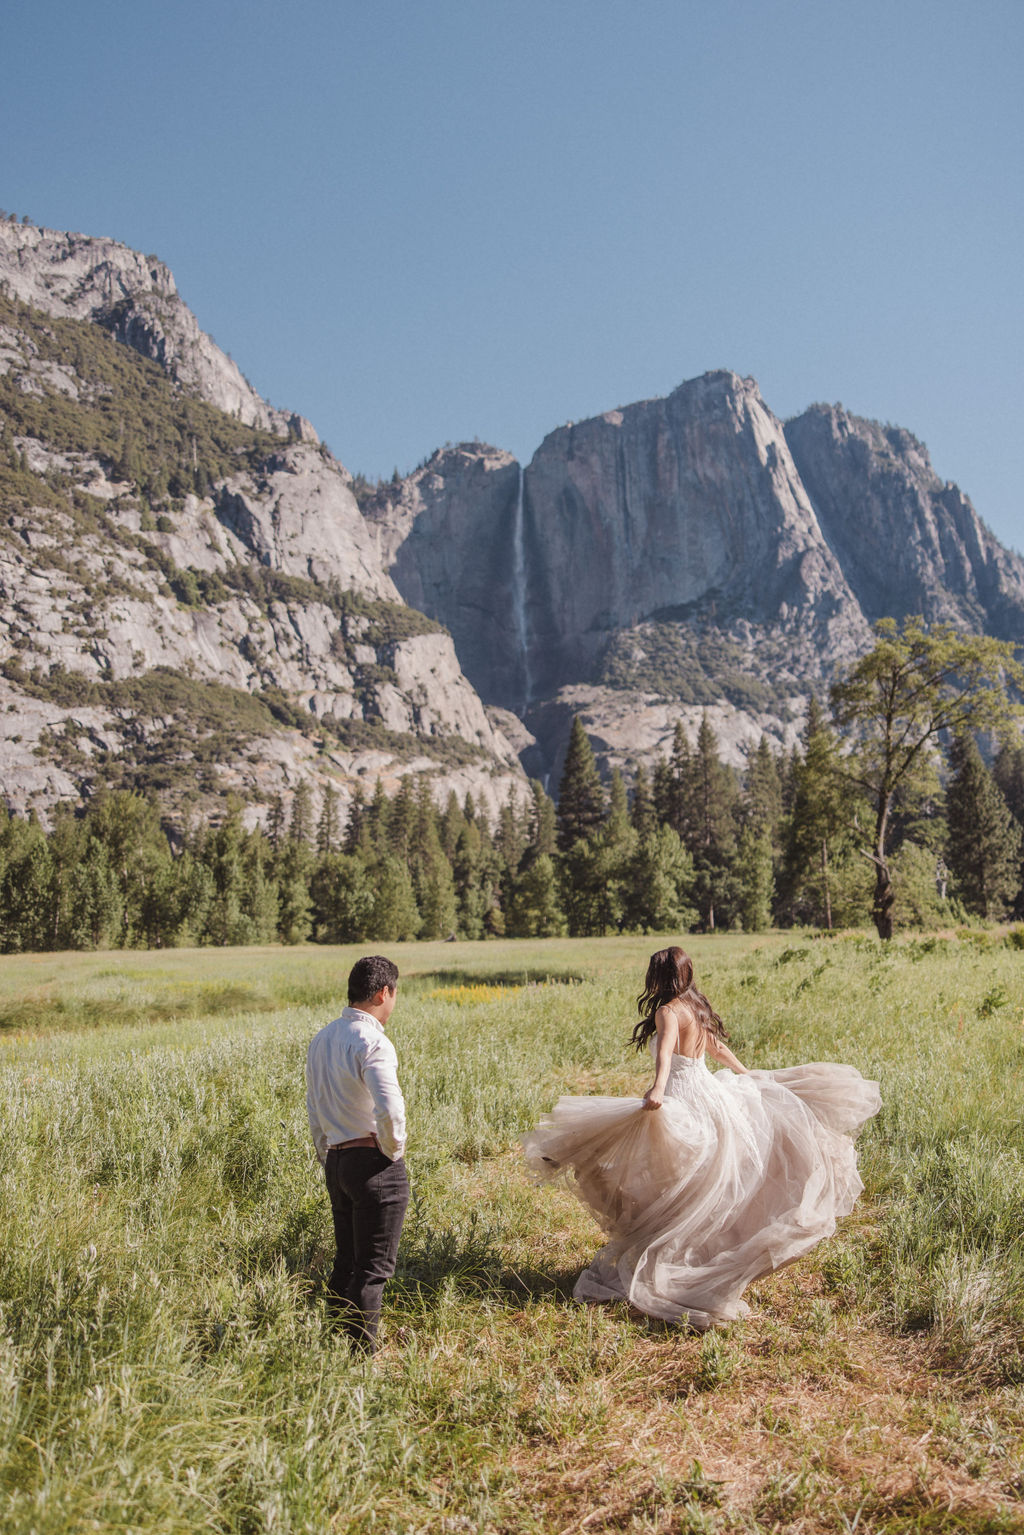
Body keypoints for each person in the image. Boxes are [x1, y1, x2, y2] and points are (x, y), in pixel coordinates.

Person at [522, 946, 880, 1330]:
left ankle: (676, 1256)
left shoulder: (667, 1011)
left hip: (681, 1093)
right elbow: (717, 1047)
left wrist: (657, 1091)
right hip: (709, 1091)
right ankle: (688, 1250)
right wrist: (746, 1074)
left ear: (658, 978)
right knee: (697, 1176)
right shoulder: (696, 1005)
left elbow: (666, 1059)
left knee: (659, 1172)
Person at [306, 954, 409, 1352]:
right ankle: (360, 1356)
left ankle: (331, 1341)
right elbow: (391, 1111)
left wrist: (328, 1157)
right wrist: (391, 1154)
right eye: (394, 995)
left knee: (347, 1261)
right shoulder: (373, 1041)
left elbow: (315, 1109)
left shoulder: (322, 1038)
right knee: (373, 1270)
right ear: (384, 992)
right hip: (372, 1162)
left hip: (336, 1159)